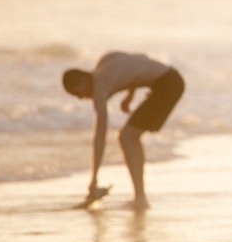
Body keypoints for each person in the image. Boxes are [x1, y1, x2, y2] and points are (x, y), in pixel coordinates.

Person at [62, 52, 184, 209]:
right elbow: (141, 59)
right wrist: (129, 96)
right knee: (129, 136)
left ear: (82, 80)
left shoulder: (100, 89)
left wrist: (94, 179)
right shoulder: (104, 60)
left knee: (127, 137)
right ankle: (140, 196)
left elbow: (99, 138)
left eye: (77, 93)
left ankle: (140, 198)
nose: (80, 98)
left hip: (167, 86)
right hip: (171, 77)